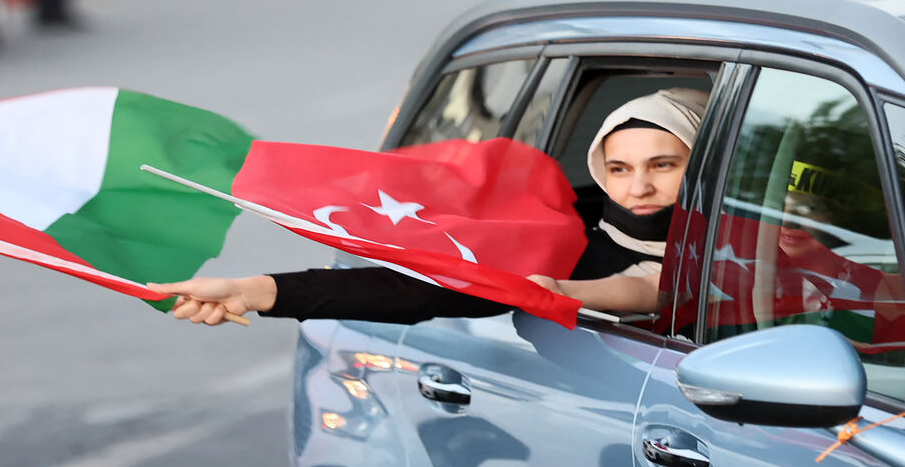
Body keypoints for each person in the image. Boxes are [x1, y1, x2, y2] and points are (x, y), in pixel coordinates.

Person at [152, 88, 709, 326]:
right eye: (618, 169)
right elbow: (428, 284)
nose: (637, 188)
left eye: (664, 165)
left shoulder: (765, 236)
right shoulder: (568, 241)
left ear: (705, 165)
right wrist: (257, 291)